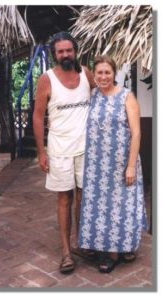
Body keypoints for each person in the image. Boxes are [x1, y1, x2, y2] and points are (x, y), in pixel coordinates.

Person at [78, 55, 148, 273]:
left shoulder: (127, 96)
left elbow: (136, 133)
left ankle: (114, 253)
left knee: (120, 207)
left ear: (114, 73)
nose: (103, 77)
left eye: (107, 72)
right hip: (97, 166)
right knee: (100, 207)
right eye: (99, 73)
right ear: (94, 74)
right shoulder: (93, 95)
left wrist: (130, 166)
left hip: (121, 163)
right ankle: (104, 245)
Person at [33, 32, 95, 274]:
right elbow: (38, 117)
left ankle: (82, 243)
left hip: (85, 148)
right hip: (59, 150)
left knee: (82, 197)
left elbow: (99, 98)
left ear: (75, 51)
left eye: (69, 50)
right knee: (64, 199)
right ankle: (66, 252)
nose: (66, 54)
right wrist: (41, 151)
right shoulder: (47, 79)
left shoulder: (86, 73)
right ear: (54, 54)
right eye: (61, 51)